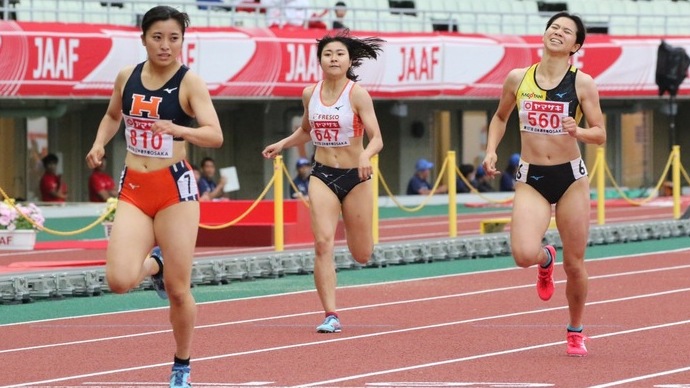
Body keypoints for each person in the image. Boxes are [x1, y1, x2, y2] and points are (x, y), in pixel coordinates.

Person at [84, 6, 224, 387]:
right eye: (158, 37)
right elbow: (114, 116)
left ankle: (182, 364)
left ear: (182, 41)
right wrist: (99, 143)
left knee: (180, 292)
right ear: (143, 37)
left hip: (174, 190)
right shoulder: (126, 77)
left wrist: (179, 129)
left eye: (174, 38)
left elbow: (214, 134)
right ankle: (155, 267)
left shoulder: (189, 82)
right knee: (118, 279)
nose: (165, 45)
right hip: (134, 187)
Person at [482, 11, 606, 357]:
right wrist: (491, 150)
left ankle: (575, 330)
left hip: (570, 178)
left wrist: (577, 131)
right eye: (553, 27)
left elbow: (600, 133)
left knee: (576, 264)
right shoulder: (518, 78)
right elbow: (500, 116)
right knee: (522, 254)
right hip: (531, 177)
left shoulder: (582, 83)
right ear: (544, 35)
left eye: (566, 31)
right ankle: (544, 259)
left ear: (575, 46)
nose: (557, 32)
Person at [262, 30, 384, 333]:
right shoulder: (310, 93)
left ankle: (361, 250)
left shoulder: (357, 94)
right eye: (328, 54)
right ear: (320, 60)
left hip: (356, 177)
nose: (333, 58)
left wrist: (366, 155)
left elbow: (377, 138)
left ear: (349, 60)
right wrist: (283, 143)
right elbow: (306, 130)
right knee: (321, 243)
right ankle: (331, 313)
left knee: (362, 253)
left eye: (339, 54)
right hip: (323, 174)